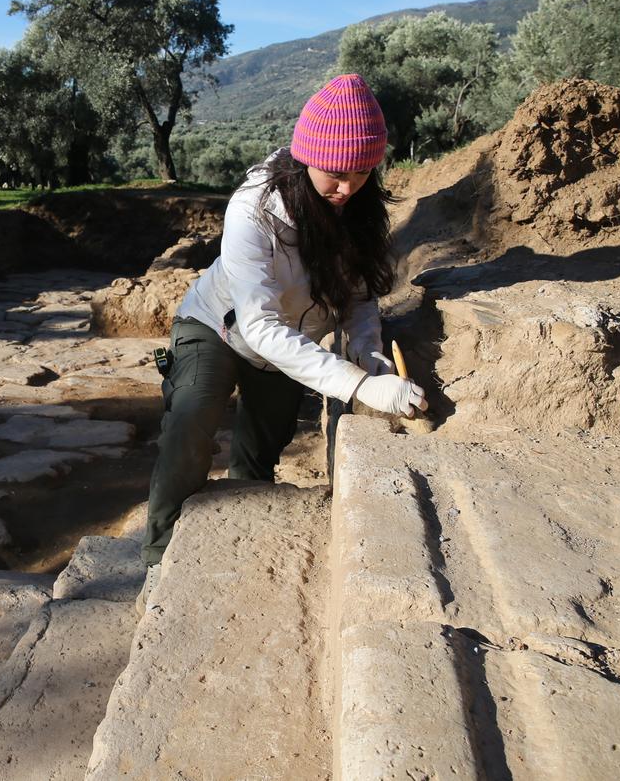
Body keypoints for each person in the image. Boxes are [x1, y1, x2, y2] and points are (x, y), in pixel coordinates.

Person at [137, 74, 426, 612]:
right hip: (220, 326)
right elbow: (261, 325)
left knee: (259, 454)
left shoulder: (359, 209)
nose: (349, 187)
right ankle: (159, 557)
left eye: (363, 172)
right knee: (191, 419)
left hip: (293, 342)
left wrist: (368, 351)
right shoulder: (254, 210)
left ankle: (243, 542)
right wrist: (357, 385)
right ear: (306, 158)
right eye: (337, 174)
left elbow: (360, 297)